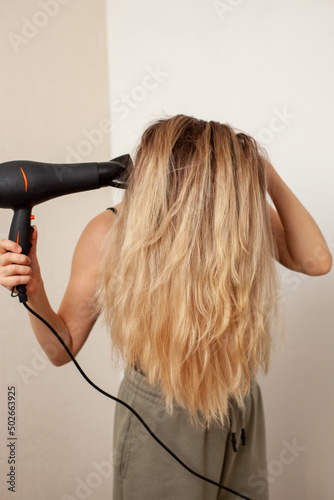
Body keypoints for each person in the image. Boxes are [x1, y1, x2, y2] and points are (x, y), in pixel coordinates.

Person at [0, 114, 332, 500]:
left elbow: (316, 261)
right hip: (159, 415)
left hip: (237, 402)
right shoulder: (109, 232)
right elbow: (61, 349)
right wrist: (35, 289)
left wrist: (262, 168)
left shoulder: (231, 220)